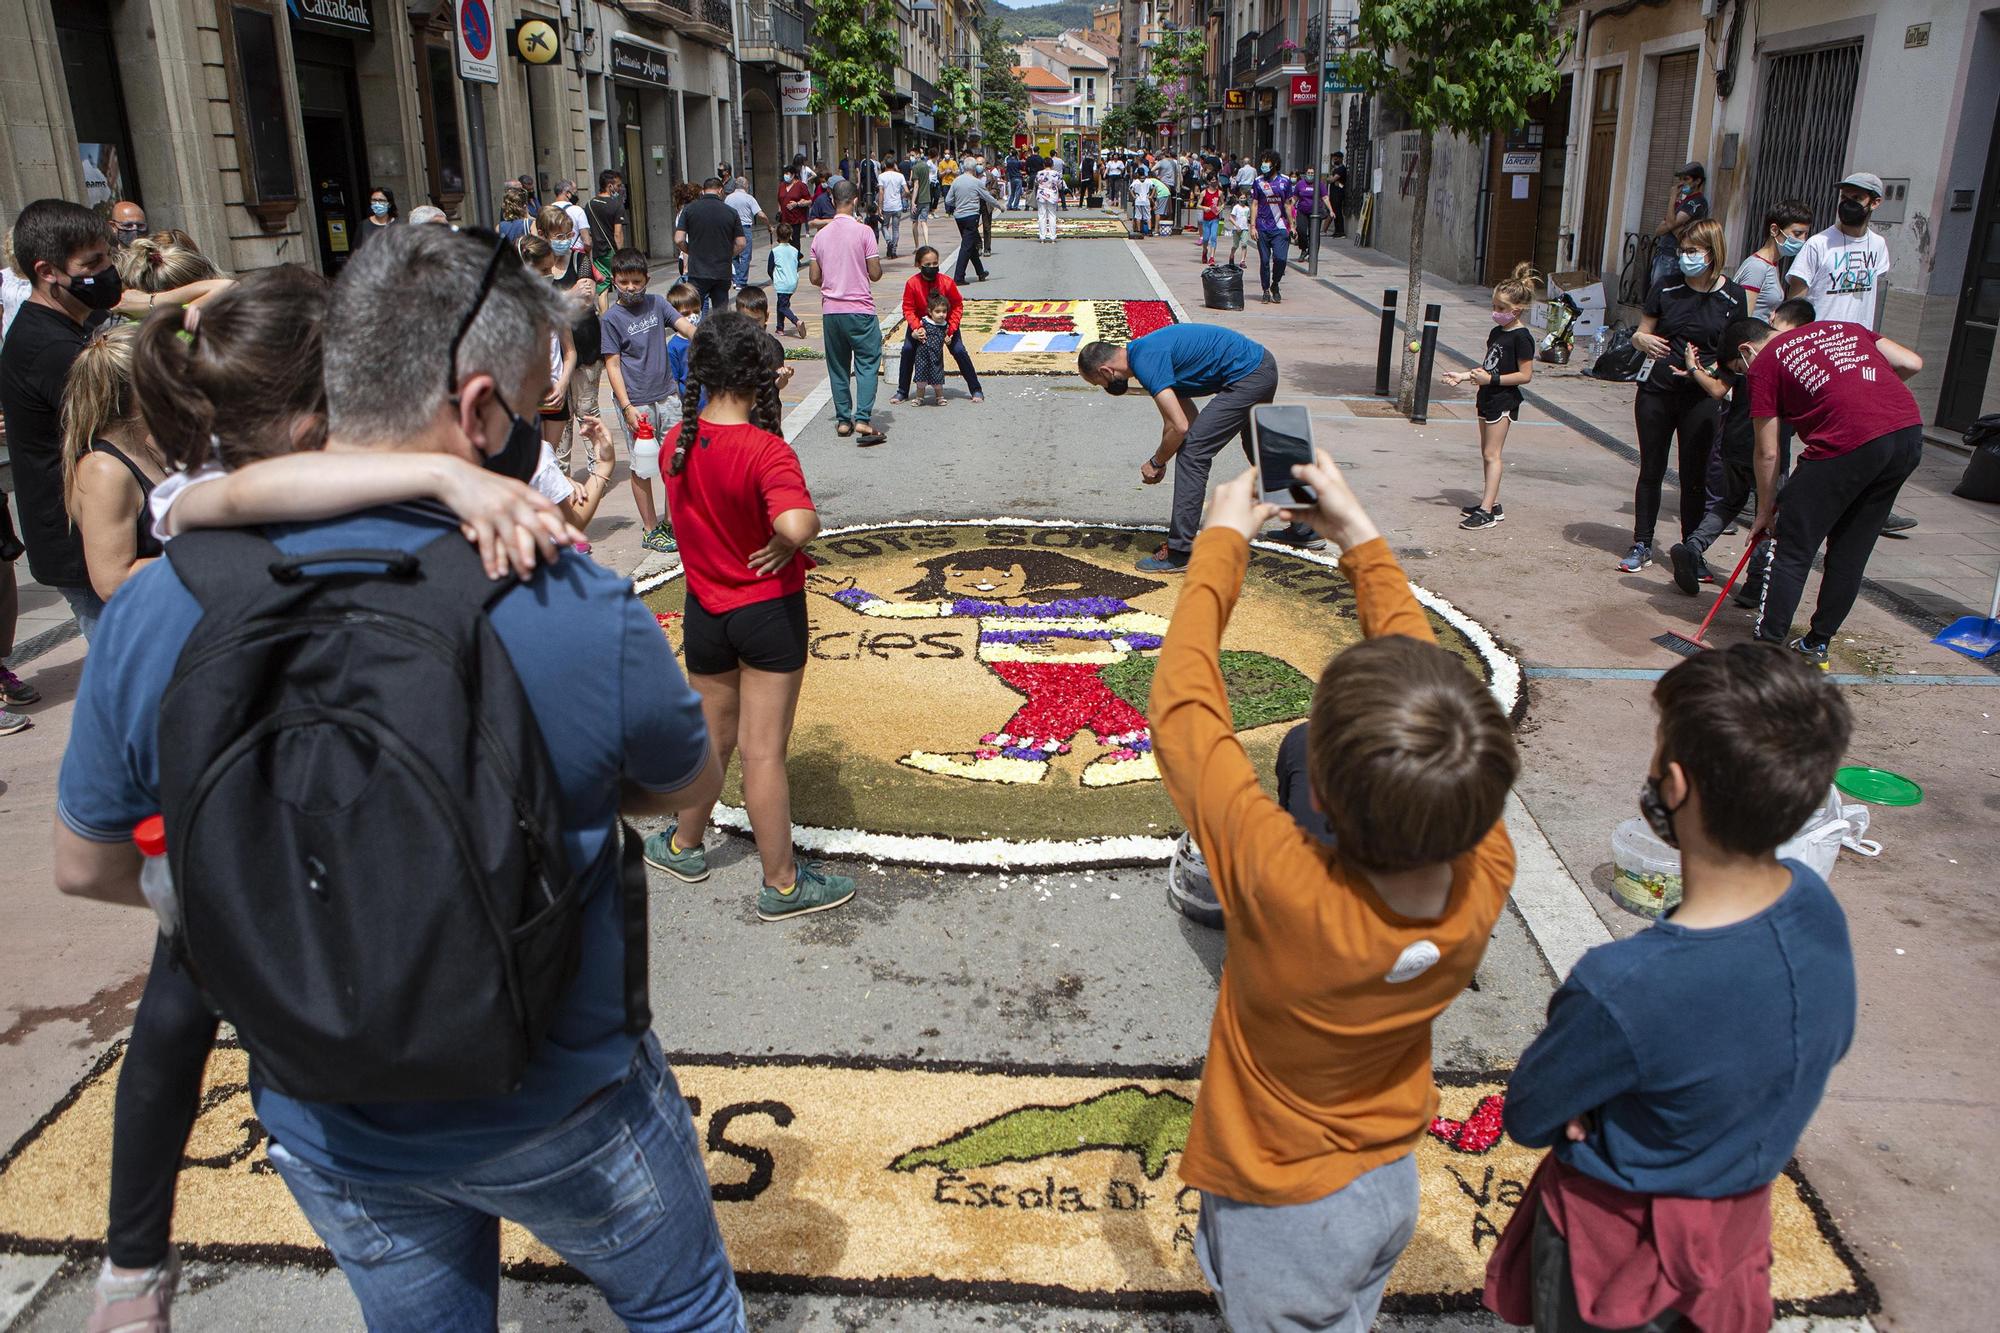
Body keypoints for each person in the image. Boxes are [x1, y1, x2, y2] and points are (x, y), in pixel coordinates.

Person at [55, 224, 742, 1331]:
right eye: (527, 406)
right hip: (561, 1096)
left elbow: (87, 865)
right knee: (684, 1305)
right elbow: (681, 784)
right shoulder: (558, 592)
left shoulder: (155, 603)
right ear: (478, 412)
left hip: (325, 1104)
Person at [1150, 453, 1518, 1333]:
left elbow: (1182, 706)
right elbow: (1437, 703)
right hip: (1386, 1176)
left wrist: (1222, 546)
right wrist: (1359, 537)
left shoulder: (1286, 884)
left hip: (1283, 1207)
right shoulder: (1487, 863)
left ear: (1323, 799)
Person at [1487, 643, 1854, 1333]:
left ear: (1676, 786)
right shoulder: (1816, 906)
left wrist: (1598, 1106)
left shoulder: (1623, 982)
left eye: (1657, 754)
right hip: (1735, 1234)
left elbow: (1531, 1111)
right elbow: (1818, 1042)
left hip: (1612, 1257)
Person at [649, 312, 855, 922]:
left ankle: (685, 845)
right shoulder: (766, 450)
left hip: (705, 609)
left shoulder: (677, 442)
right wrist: (792, 541)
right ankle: (783, 883)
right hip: (766, 611)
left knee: (713, 739)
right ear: (760, 374)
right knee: (763, 753)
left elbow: (714, 476)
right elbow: (794, 523)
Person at [1734, 311, 1925, 666]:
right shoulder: (1842, 328)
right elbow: (1911, 363)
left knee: (1792, 545)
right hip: (1906, 433)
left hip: (1847, 442)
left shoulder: (1764, 364)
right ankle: (1817, 643)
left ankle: (1767, 648)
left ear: (1746, 350)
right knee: (1852, 548)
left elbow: (1768, 450)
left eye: (1739, 369)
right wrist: (1860, 392)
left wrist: (1764, 509)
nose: (1745, 376)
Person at [1076, 325, 1320, 574]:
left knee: (1193, 455)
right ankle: (1306, 528)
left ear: (1106, 370)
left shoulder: (1146, 361)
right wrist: (1161, 457)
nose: (1104, 387)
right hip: (1260, 365)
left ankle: (1181, 551)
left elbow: (1180, 428)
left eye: (1099, 382)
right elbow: (1184, 421)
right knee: (1258, 446)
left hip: (1248, 375)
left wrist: (1157, 462)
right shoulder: (1146, 354)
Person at [0, 198, 122, 639]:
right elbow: (118, 425)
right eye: (93, 262)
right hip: (82, 539)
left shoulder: (76, 322)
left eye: (108, 256)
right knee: (125, 670)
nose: (107, 270)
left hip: (97, 527)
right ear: (48, 271)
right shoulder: (49, 348)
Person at [1619, 218, 1746, 574]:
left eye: (1693, 251)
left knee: (1695, 476)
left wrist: (1706, 375)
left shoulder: (1731, 296)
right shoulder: (1666, 286)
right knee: (1651, 469)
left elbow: (1735, 355)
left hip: (1701, 396)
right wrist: (1641, 339)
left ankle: (1692, 549)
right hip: (1657, 391)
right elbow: (1642, 332)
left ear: (1712, 252)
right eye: (1682, 250)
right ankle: (1642, 542)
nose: (1685, 257)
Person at [1667, 300, 1814, 597]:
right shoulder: (1788, 357)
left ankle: (1693, 546)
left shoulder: (1750, 345)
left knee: (1728, 501)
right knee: (1769, 514)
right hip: (1768, 451)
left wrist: (1694, 368)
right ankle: (1754, 584)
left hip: (1733, 442)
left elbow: (1718, 389)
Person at [59, 323, 165, 604]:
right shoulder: (104, 471)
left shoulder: (145, 445)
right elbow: (113, 581)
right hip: (149, 629)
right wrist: (206, 550)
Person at [1443, 263, 1539, 531]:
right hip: (1487, 395)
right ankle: (1491, 502)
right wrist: (1464, 375)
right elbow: (1490, 366)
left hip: (1503, 399)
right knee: (1486, 453)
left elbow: (1525, 375)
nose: (1495, 312)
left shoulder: (1522, 338)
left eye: (1500, 308)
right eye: (1494, 306)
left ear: (1515, 310)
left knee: (1492, 454)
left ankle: (1488, 511)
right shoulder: (1497, 333)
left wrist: (1492, 380)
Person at [602, 248, 680, 554]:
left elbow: (683, 325)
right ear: (614, 281)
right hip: (638, 404)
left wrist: (704, 335)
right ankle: (650, 528)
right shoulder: (611, 318)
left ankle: (672, 523)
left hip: (668, 397)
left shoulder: (657, 304)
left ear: (647, 279)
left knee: (677, 460)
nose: (631, 287)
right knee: (642, 466)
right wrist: (627, 407)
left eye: (636, 281)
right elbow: (612, 364)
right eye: (625, 281)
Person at [810, 180, 886, 446]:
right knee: (867, 363)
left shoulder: (820, 236)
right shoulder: (864, 232)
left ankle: (844, 421)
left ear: (832, 200)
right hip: (860, 310)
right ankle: (863, 417)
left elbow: (814, 277)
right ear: (855, 201)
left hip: (831, 312)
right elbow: (875, 273)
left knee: (838, 367)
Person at [1786, 171, 1891, 327]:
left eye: (1857, 198)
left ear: (1874, 203)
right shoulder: (1818, 244)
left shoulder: (1878, 245)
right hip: (1820, 340)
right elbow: (1795, 302)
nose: (1848, 204)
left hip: (1856, 340)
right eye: (1844, 198)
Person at [891, 246, 983, 405]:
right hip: (921, 325)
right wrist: (916, 327)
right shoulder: (912, 283)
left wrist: (951, 328)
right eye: (928, 264)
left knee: (959, 350)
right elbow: (908, 308)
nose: (932, 268)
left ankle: (975, 389)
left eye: (935, 264)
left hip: (944, 325)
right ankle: (902, 391)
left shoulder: (946, 282)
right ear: (918, 265)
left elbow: (957, 306)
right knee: (907, 349)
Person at [1735, 198, 1812, 323]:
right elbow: (1744, 320)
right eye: (1797, 234)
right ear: (1774, 230)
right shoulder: (1757, 267)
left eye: (1805, 234)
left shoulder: (1772, 265)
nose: (1802, 240)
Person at [675, 178, 744, 314]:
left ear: (703, 191)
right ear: (720, 190)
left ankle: (698, 334)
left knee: (695, 311)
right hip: (722, 270)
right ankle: (719, 334)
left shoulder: (689, 210)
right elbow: (741, 243)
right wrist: (728, 254)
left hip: (698, 270)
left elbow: (679, 239)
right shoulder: (731, 212)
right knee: (721, 313)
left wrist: (690, 250)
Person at [1649, 162, 1710, 291]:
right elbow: (1659, 230)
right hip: (1664, 254)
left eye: (1686, 179)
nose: (1682, 183)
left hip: (1673, 256)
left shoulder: (1697, 202)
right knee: (1656, 293)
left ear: (1697, 181)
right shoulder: (1682, 203)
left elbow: (1670, 223)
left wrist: (1672, 198)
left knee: (1663, 294)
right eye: (1680, 179)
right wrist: (1674, 224)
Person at [942, 166, 1000, 285]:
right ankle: (958, 277)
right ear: (973, 170)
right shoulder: (976, 182)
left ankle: (980, 272)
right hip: (971, 216)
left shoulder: (956, 181)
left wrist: (958, 203)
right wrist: (1000, 206)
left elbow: (948, 200)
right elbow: (987, 196)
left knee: (971, 243)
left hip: (959, 217)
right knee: (966, 246)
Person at [1251, 151, 1295, 303]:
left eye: (1267, 161)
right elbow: (1255, 204)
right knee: (1264, 261)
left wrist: (1293, 226)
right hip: (1262, 226)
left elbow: (1288, 204)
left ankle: (1275, 284)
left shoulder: (1285, 181)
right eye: (1262, 161)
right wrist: (1252, 226)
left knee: (1280, 259)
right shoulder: (1258, 181)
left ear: (1275, 163)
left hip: (1280, 227)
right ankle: (1265, 290)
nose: (1264, 164)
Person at [585, 169, 629, 301]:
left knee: (602, 288)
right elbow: (618, 233)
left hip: (598, 252)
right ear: (610, 186)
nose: (620, 188)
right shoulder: (617, 205)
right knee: (621, 284)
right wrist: (621, 253)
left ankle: (604, 319)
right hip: (612, 251)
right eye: (618, 185)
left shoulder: (589, 205)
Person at [723, 176, 769, 290]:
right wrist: (768, 224)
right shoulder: (749, 198)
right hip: (744, 228)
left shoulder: (728, 198)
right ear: (746, 186)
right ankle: (741, 281)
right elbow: (760, 214)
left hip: (730, 228)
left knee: (733, 254)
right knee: (745, 255)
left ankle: (736, 278)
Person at [910, 290, 954, 407]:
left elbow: (945, 336)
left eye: (944, 311)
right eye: (938, 311)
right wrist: (916, 334)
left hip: (936, 357)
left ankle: (939, 397)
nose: (941, 314)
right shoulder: (924, 322)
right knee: (920, 380)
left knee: (937, 378)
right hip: (922, 357)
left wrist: (947, 339)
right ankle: (919, 397)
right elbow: (914, 334)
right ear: (930, 311)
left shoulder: (945, 325)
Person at [767, 223, 808, 339]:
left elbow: (769, 269)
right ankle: (780, 328)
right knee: (781, 303)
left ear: (777, 237)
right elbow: (801, 255)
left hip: (782, 283)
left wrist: (774, 278)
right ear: (790, 236)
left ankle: (797, 321)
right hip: (792, 281)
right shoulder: (794, 250)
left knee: (782, 306)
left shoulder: (775, 251)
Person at [877, 156, 909, 259]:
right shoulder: (900, 176)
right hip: (897, 206)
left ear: (885, 165)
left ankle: (888, 241)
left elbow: (881, 192)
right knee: (896, 229)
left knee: (884, 226)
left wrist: (880, 207)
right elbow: (907, 191)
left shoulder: (881, 176)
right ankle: (894, 250)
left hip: (887, 206)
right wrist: (901, 197)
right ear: (894, 165)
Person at [351, 186, 397, 252]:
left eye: (381, 200)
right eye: (374, 200)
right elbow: (356, 252)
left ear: (389, 204)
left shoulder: (399, 225)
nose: (377, 204)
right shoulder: (364, 225)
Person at [1293, 167, 1320, 262]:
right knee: (1301, 231)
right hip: (1302, 211)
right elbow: (1295, 197)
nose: (1310, 174)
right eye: (1309, 172)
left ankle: (1313, 254)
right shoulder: (1300, 184)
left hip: (1315, 212)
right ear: (1305, 173)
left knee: (1314, 233)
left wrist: (1331, 210)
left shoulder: (1319, 184)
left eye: (1312, 173)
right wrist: (1289, 207)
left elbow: (1325, 197)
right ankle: (1304, 249)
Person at [1035, 157, 1063, 244]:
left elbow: (1036, 182)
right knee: (1052, 215)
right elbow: (1060, 185)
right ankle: (1052, 237)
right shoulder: (1056, 173)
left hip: (1041, 195)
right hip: (1052, 195)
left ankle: (1042, 237)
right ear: (1052, 165)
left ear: (1043, 164)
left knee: (1042, 215)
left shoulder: (1039, 173)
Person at [1198, 177, 1223, 265]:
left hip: (1215, 219)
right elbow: (1198, 205)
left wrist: (1220, 208)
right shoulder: (1204, 192)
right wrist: (1204, 207)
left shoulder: (1219, 193)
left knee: (1213, 237)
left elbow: (1222, 203)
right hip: (1206, 219)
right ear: (1208, 181)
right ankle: (1205, 251)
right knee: (1205, 239)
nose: (1214, 181)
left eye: (1215, 180)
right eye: (1212, 180)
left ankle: (1212, 257)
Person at [1228, 190, 1253, 267]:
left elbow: (1248, 219)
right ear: (1238, 199)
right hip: (1236, 229)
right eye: (1241, 198)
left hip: (1245, 229)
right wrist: (1236, 225)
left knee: (1244, 245)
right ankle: (1231, 256)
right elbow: (1231, 218)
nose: (1243, 199)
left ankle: (1243, 261)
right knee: (1235, 245)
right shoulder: (1236, 207)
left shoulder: (1247, 209)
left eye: (1244, 198)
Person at [1327, 151, 1349, 238]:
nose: (1334, 159)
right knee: (1335, 212)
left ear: (1340, 159)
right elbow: (1329, 179)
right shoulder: (1334, 169)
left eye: (1336, 158)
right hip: (1333, 193)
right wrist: (1331, 179)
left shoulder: (1341, 169)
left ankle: (1341, 231)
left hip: (1338, 194)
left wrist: (1332, 179)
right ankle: (1337, 231)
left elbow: (1332, 180)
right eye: (1333, 158)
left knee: (1338, 212)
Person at [1130, 171, 1154, 238]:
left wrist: (1134, 196)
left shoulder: (1136, 181)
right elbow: (1154, 187)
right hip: (1146, 200)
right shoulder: (1148, 181)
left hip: (1138, 200)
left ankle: (1139, 231)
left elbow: (1131, 189)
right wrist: (1151, 196)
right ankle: (1149, 231)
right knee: (1148, 216)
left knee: (1138, 216)